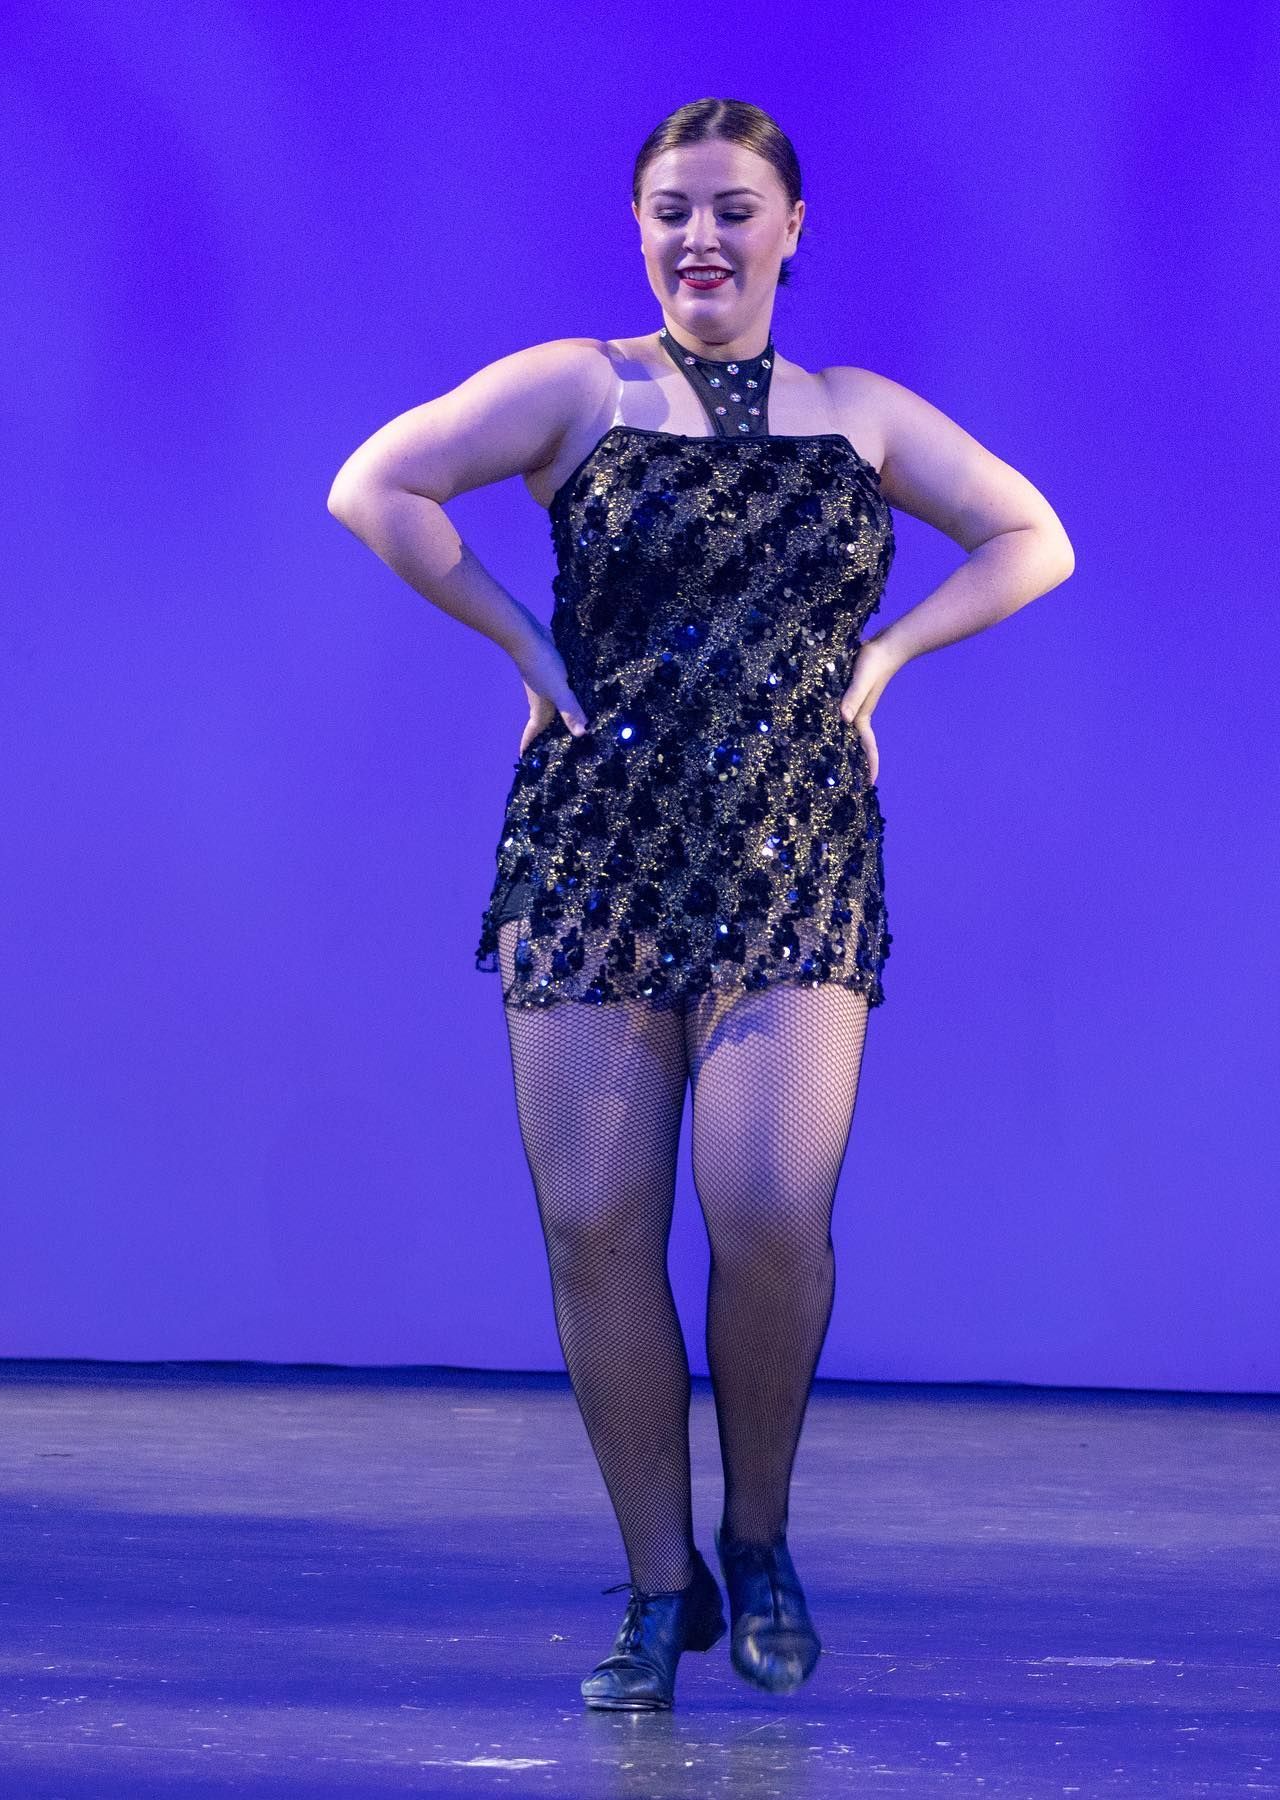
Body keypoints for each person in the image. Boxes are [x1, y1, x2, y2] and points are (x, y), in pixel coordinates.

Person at [328, 97, 1075, 1712]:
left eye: (733, 209)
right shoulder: (578, 385)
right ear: (641, 226)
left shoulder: (859, 413)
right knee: (597, 1225)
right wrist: (525, 648)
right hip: (596, 848)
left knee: (766, 1218)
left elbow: (1037, 538)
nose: (700, 240)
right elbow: (374, 487)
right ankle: (656, 1586)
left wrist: (883, 661)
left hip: (793, 852)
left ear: (793, 226)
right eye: (672, 210)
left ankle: (761, 1534)